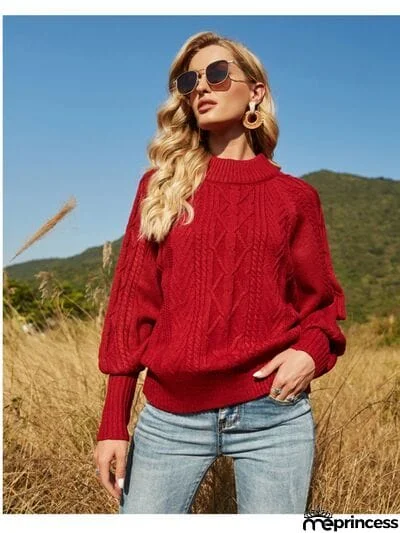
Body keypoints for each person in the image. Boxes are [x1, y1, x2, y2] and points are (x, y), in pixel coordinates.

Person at [93, 30, 347, 514]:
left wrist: (310, 354)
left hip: (274, 415)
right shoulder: (161, 187)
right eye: (189, 81)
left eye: (216, 73)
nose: (202, 88)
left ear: (256, 92)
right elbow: (133, 310)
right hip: (170, 418)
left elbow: (321, 306)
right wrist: (113, 423)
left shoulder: (296, 199)